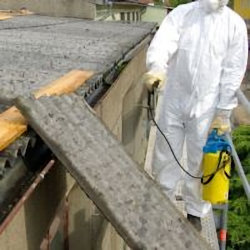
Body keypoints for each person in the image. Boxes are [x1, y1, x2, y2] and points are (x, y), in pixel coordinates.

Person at [144, 0, 248, 231]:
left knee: (200, 162)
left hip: (207, 107)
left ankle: (194, 213)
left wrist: (223, 112)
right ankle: (163, 207)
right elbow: (164, 42)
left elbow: (233, 70)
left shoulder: (234, 25)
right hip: (175, 98)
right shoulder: (183, 14)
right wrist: (157, 67)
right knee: (164, 154)